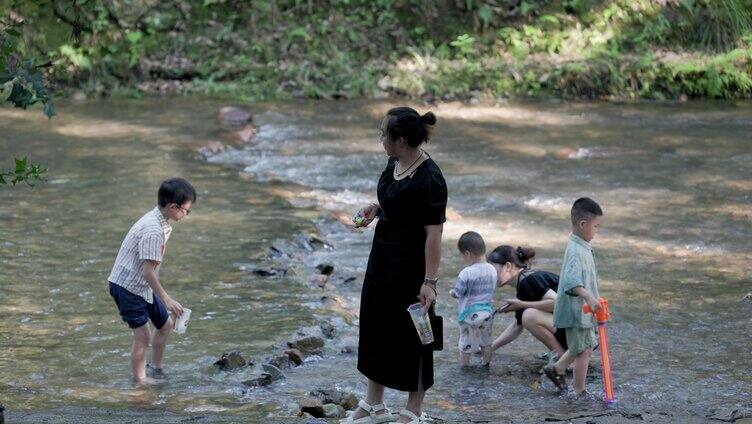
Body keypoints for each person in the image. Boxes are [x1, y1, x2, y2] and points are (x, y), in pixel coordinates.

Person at [343, 107, 447, 424]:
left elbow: (434, 234)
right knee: (376, 325)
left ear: (400, 140)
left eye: (383, 135)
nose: (381, 140)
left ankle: (413, 411)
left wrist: (429, 282)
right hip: (383, 259)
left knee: (418, 333)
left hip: (413, 268)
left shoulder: (431, 178)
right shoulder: (395, 162)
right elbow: (395, 202)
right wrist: (376, 208)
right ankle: (374, 403)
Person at [107, 178, 195, 387]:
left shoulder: (161, 221)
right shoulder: (153, 230)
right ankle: (140, 382)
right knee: (142, 337)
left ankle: (156, 368)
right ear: (174, 207)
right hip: (127, 286)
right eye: (186, 210)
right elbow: (148, 272)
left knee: (165, 325)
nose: (186, 214)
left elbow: (148, 272)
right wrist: (166, 299)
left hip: (141, 285)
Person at [544, 197, 604, 397]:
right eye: (596, 226)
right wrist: (588, 296)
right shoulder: (575, 250)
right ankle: (574, 385)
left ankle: (564, 374)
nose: (597, 231)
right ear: (583, 224)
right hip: (576, 310)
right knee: (582, 349)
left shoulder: (583, 245)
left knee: (585, 347)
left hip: (584, 310)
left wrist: (594, 299)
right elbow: (571, 281)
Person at [487, 245, 567, 359]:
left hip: (579, 333)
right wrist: (490, 348)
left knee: (529, 316)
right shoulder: (524, 282)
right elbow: (516, 327)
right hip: (573, 329)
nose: (490, 276)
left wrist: (522, 305)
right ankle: (564, 356)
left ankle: (563, 359)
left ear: (508, 266)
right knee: (527, 316)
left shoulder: (529, 280)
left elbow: (558, 303)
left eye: (493, 270)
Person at [450, 231, 496, 367]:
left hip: (469, 314)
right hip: (487, 313)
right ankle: (486, 364)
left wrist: (452, 292)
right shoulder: (492, 270)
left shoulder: (467, 272)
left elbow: (458, 293)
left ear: (467, 254)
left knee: (466, 343)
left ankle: (464, 367)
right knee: (486, 342)